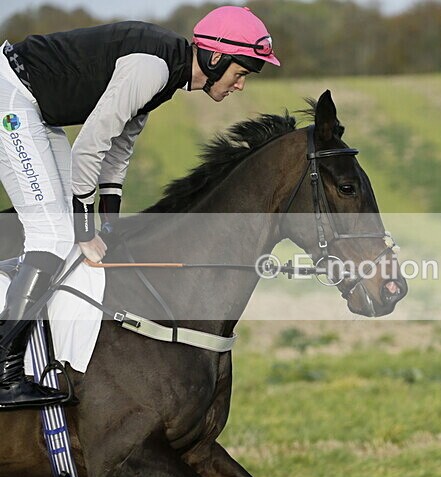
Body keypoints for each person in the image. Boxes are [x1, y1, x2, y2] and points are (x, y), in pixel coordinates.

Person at [0, 6, 280, 409]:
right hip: (12, 94)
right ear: (216, 58)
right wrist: (84, 228)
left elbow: (118, 149)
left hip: (36, 110)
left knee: (56, 227)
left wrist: (108, 225)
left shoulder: (167, 77)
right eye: (241, 72)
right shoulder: (154, 69)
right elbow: (90, 147)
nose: (240, 85)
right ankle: (5, 370)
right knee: (57, 233)